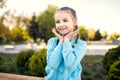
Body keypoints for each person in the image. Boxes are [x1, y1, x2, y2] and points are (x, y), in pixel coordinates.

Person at [45, 6, 87, 80]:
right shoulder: (52, 42)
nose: (61, 24)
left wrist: (66, 41)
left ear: (74, 22)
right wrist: (61, 41)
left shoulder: (81, 44)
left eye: (65, 20)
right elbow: (53, 64)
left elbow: (70, 65)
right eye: (57, 22)